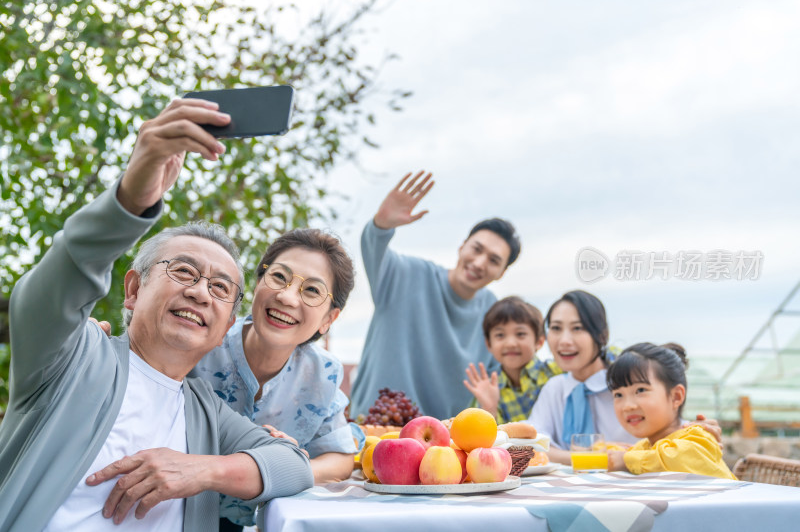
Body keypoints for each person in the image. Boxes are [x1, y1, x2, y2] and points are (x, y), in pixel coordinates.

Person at [0, 99, 313, 532]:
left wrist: (200, 470)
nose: (201, 291)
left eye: (221, 288)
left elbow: (294, 465)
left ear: (225, 326)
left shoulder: (205, 410)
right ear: (133, 290)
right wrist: (132, 198)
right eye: (184, 270)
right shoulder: (73, 358)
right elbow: (56, 283)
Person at [190, 228, 359, 530]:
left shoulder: (323, 374)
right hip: (173, 511)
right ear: (258, 281)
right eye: (279, 277)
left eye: (311, 291)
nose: (286, 297)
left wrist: (287, 465)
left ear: (329, 319)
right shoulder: (201, 342)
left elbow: (340, 458)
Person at [349, 171, 521, 420]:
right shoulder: (405, 274)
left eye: (494, 260)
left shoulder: (492, 314)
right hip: (375, 427)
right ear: (462, 246)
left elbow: (495, 378)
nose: (480, 262)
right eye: (476, 249)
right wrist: (381, 226)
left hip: (438, 444)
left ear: (501, 273)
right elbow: (373, 249)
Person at [527, 290, 638, 464]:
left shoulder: (627, 384)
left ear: (602, 335)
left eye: (577, 328)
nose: (564, 340)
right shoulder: (555, 389)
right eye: (556, 328)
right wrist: (592, 459)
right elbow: (532, 446)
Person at [606, 342, 736, 479]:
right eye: (618, 395)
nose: (628, 406)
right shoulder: (643, 448)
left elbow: (677, 459)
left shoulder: (697, 437)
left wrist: (625, 461)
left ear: (676, 396)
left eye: (640, 390)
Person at [463, 296, 562, 423]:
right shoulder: (489, 388)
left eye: (520, 334)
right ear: (489, 344)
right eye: (500, 335)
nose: (510, 343)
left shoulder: (557, 371)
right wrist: (489, 409)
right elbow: (487, 439)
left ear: (539, 341)